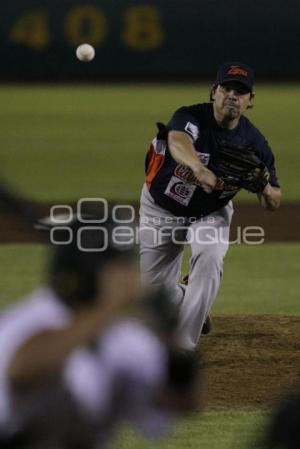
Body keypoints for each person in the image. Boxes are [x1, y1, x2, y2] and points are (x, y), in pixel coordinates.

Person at [0, 215, 201, 449]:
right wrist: (109, 306)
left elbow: (180, 401)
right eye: (119, 267)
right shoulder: (29, 318)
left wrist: (171, 337)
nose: (128, 276)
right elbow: (21, 371)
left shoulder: (123, 336)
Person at [139, 62, 282, 351]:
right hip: (160, 208)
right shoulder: (190, 116)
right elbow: (178, 141)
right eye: (227, 88)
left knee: (210, 257)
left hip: (209, 213)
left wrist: (264, 187)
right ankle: (190, 296)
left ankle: (182, 348)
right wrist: (198, 167)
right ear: (214, 92)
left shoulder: (254, 143)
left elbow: (274, 200)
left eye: (240, 92)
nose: (232, 95)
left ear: (249, 100)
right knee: (151, 294)